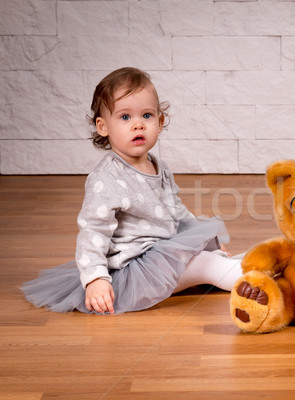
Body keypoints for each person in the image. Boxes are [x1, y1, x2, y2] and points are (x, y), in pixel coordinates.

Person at [22, 67, 243, 314]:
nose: (138, 125)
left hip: (163, 251)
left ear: (159, 122)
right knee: (209, 266)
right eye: (125, 117)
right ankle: (263, 284)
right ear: (103, 127)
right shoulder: (107, 178)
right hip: (137, 268)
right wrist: (95, 279)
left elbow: (175, 211)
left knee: (212, 257)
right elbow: (92, 232)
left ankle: (263, 265)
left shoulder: (158, 165)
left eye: (146, 116)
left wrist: (203, 242)